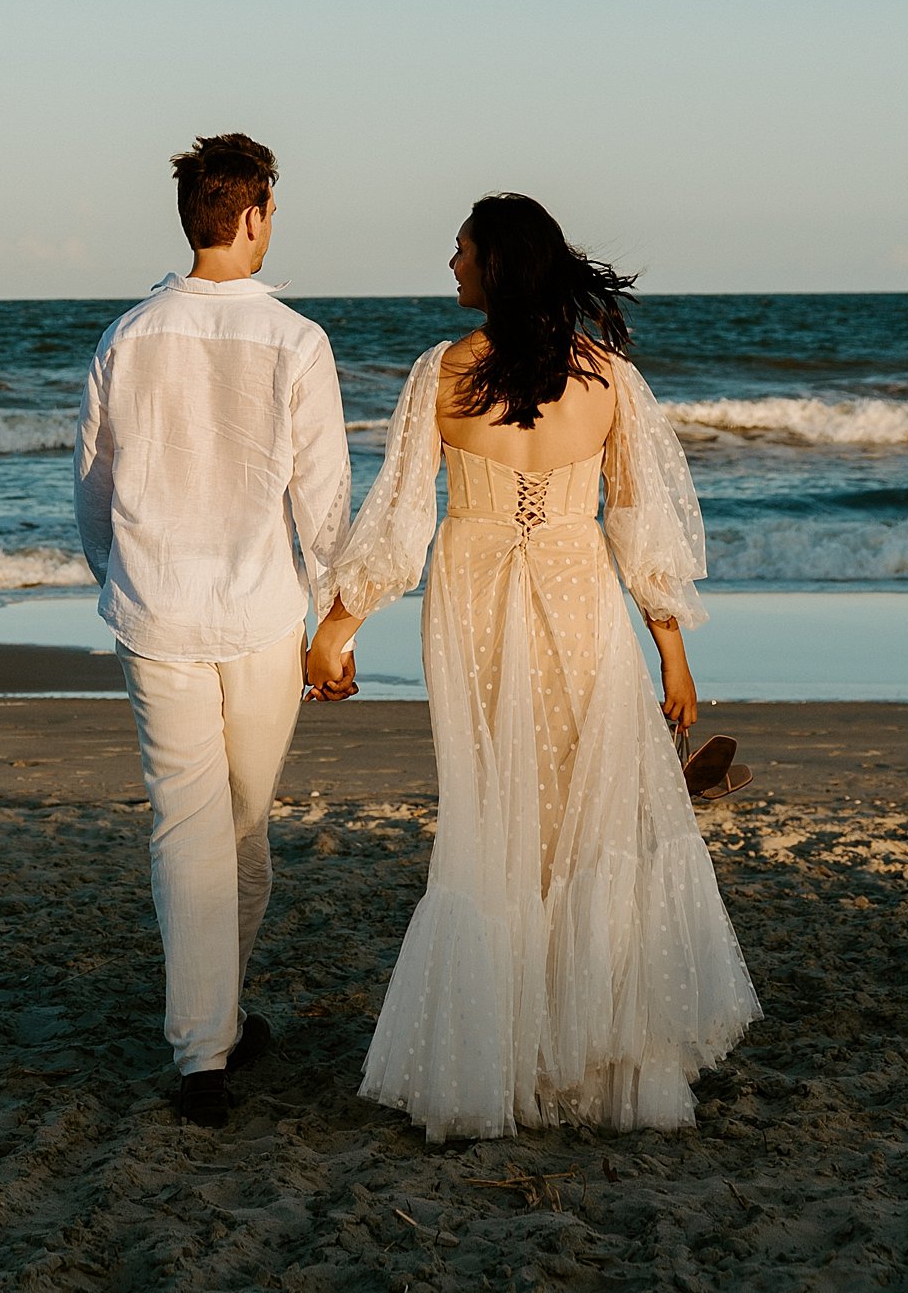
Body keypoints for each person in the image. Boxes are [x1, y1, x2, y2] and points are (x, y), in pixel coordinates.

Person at [305, 192, 759, 1140]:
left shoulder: (444, 372)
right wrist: (671, 653)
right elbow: (643, 528)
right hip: (579, 598)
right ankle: (583, 1054)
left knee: (494, 816)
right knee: (578, 818)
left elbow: (398, 522)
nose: (452, 263)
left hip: (473, 605)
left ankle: (510, 1057)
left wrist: (337, 629)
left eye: (462, 249)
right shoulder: (608, 381)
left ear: (499, 265)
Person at [75, 132, 350, 1126]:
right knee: (234, 827)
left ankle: (211, 1033)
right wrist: (336, 623)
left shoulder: (126, 335)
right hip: (261, 611)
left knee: (193, 827)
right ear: (249, 216)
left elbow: (93, 489)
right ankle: (207, 1040)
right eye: (270, 210)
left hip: (156, 609)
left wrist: (119, 576)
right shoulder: (296, 341)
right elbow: (323, 503)